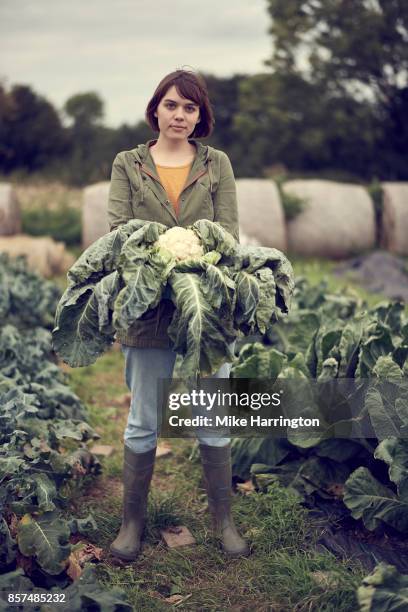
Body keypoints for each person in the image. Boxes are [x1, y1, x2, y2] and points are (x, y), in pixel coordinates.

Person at [107, 69, 249, 561]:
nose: (179, 115)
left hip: (206, 310)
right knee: (145, 419)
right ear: (156, 110)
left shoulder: (217, 164)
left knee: (212, 418)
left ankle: (224, 521)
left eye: (189, 108)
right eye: (171, 105)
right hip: (146, 312)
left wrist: (190, 264)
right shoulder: (128, 163)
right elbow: (119, 231)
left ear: (199, 115)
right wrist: (160, 260)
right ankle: (131, 525)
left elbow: (227, 232)